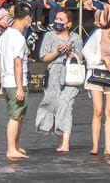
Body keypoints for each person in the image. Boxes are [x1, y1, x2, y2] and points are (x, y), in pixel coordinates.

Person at [35, 10, 83, 152]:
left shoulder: (75, 38)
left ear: (69, 24)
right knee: (52, 104)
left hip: (70, 74)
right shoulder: (49, 36)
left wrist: (69, 52)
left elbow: (79, 58)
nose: (58, 22)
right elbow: (44, 58)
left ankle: (66, 142)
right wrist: (57, 51)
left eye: (61, 20)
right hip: (53, 73)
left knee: (66, 105)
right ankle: (60, 139)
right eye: (56, 19)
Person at [82, 12, 110, 156]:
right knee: (98, 110)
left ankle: (108, 147)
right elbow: (86, 52)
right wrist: (102, 58)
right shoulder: (99, 34)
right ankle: (95, 146)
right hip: (97, 72)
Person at [0, 1, 32, 160]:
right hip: (15, 81)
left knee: (19, 115)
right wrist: (19, 87)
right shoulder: (18, 37)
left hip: (7, 79)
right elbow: (17, 63)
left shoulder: (6, 34)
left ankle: (15, 145)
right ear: (27, 18)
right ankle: (11, 148)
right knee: (15, 115)